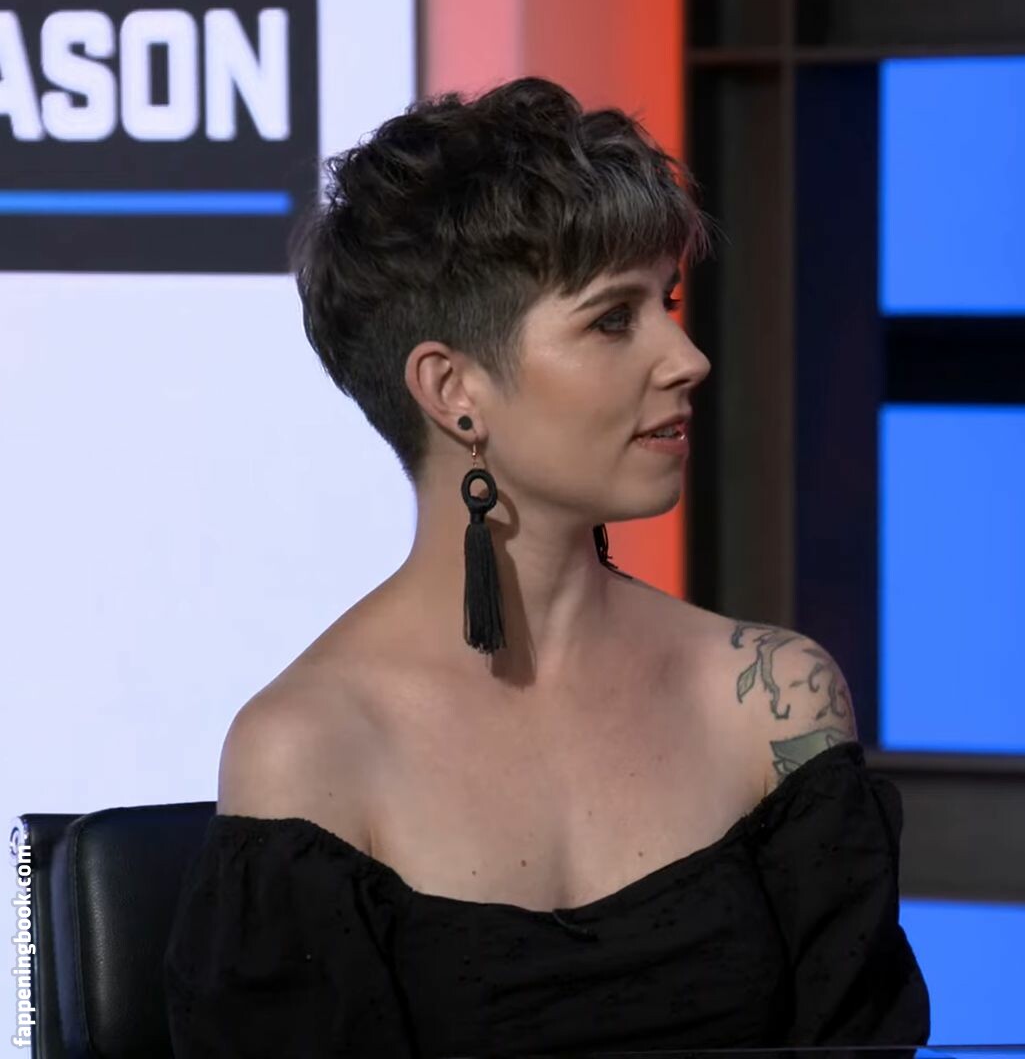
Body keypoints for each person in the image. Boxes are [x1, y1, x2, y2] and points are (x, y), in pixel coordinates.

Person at [162, 76, 930, 1056]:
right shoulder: (308, 748)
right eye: (612, 319)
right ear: (452, 389)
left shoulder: (772, 700)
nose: (685, 358)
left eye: (667, 302)